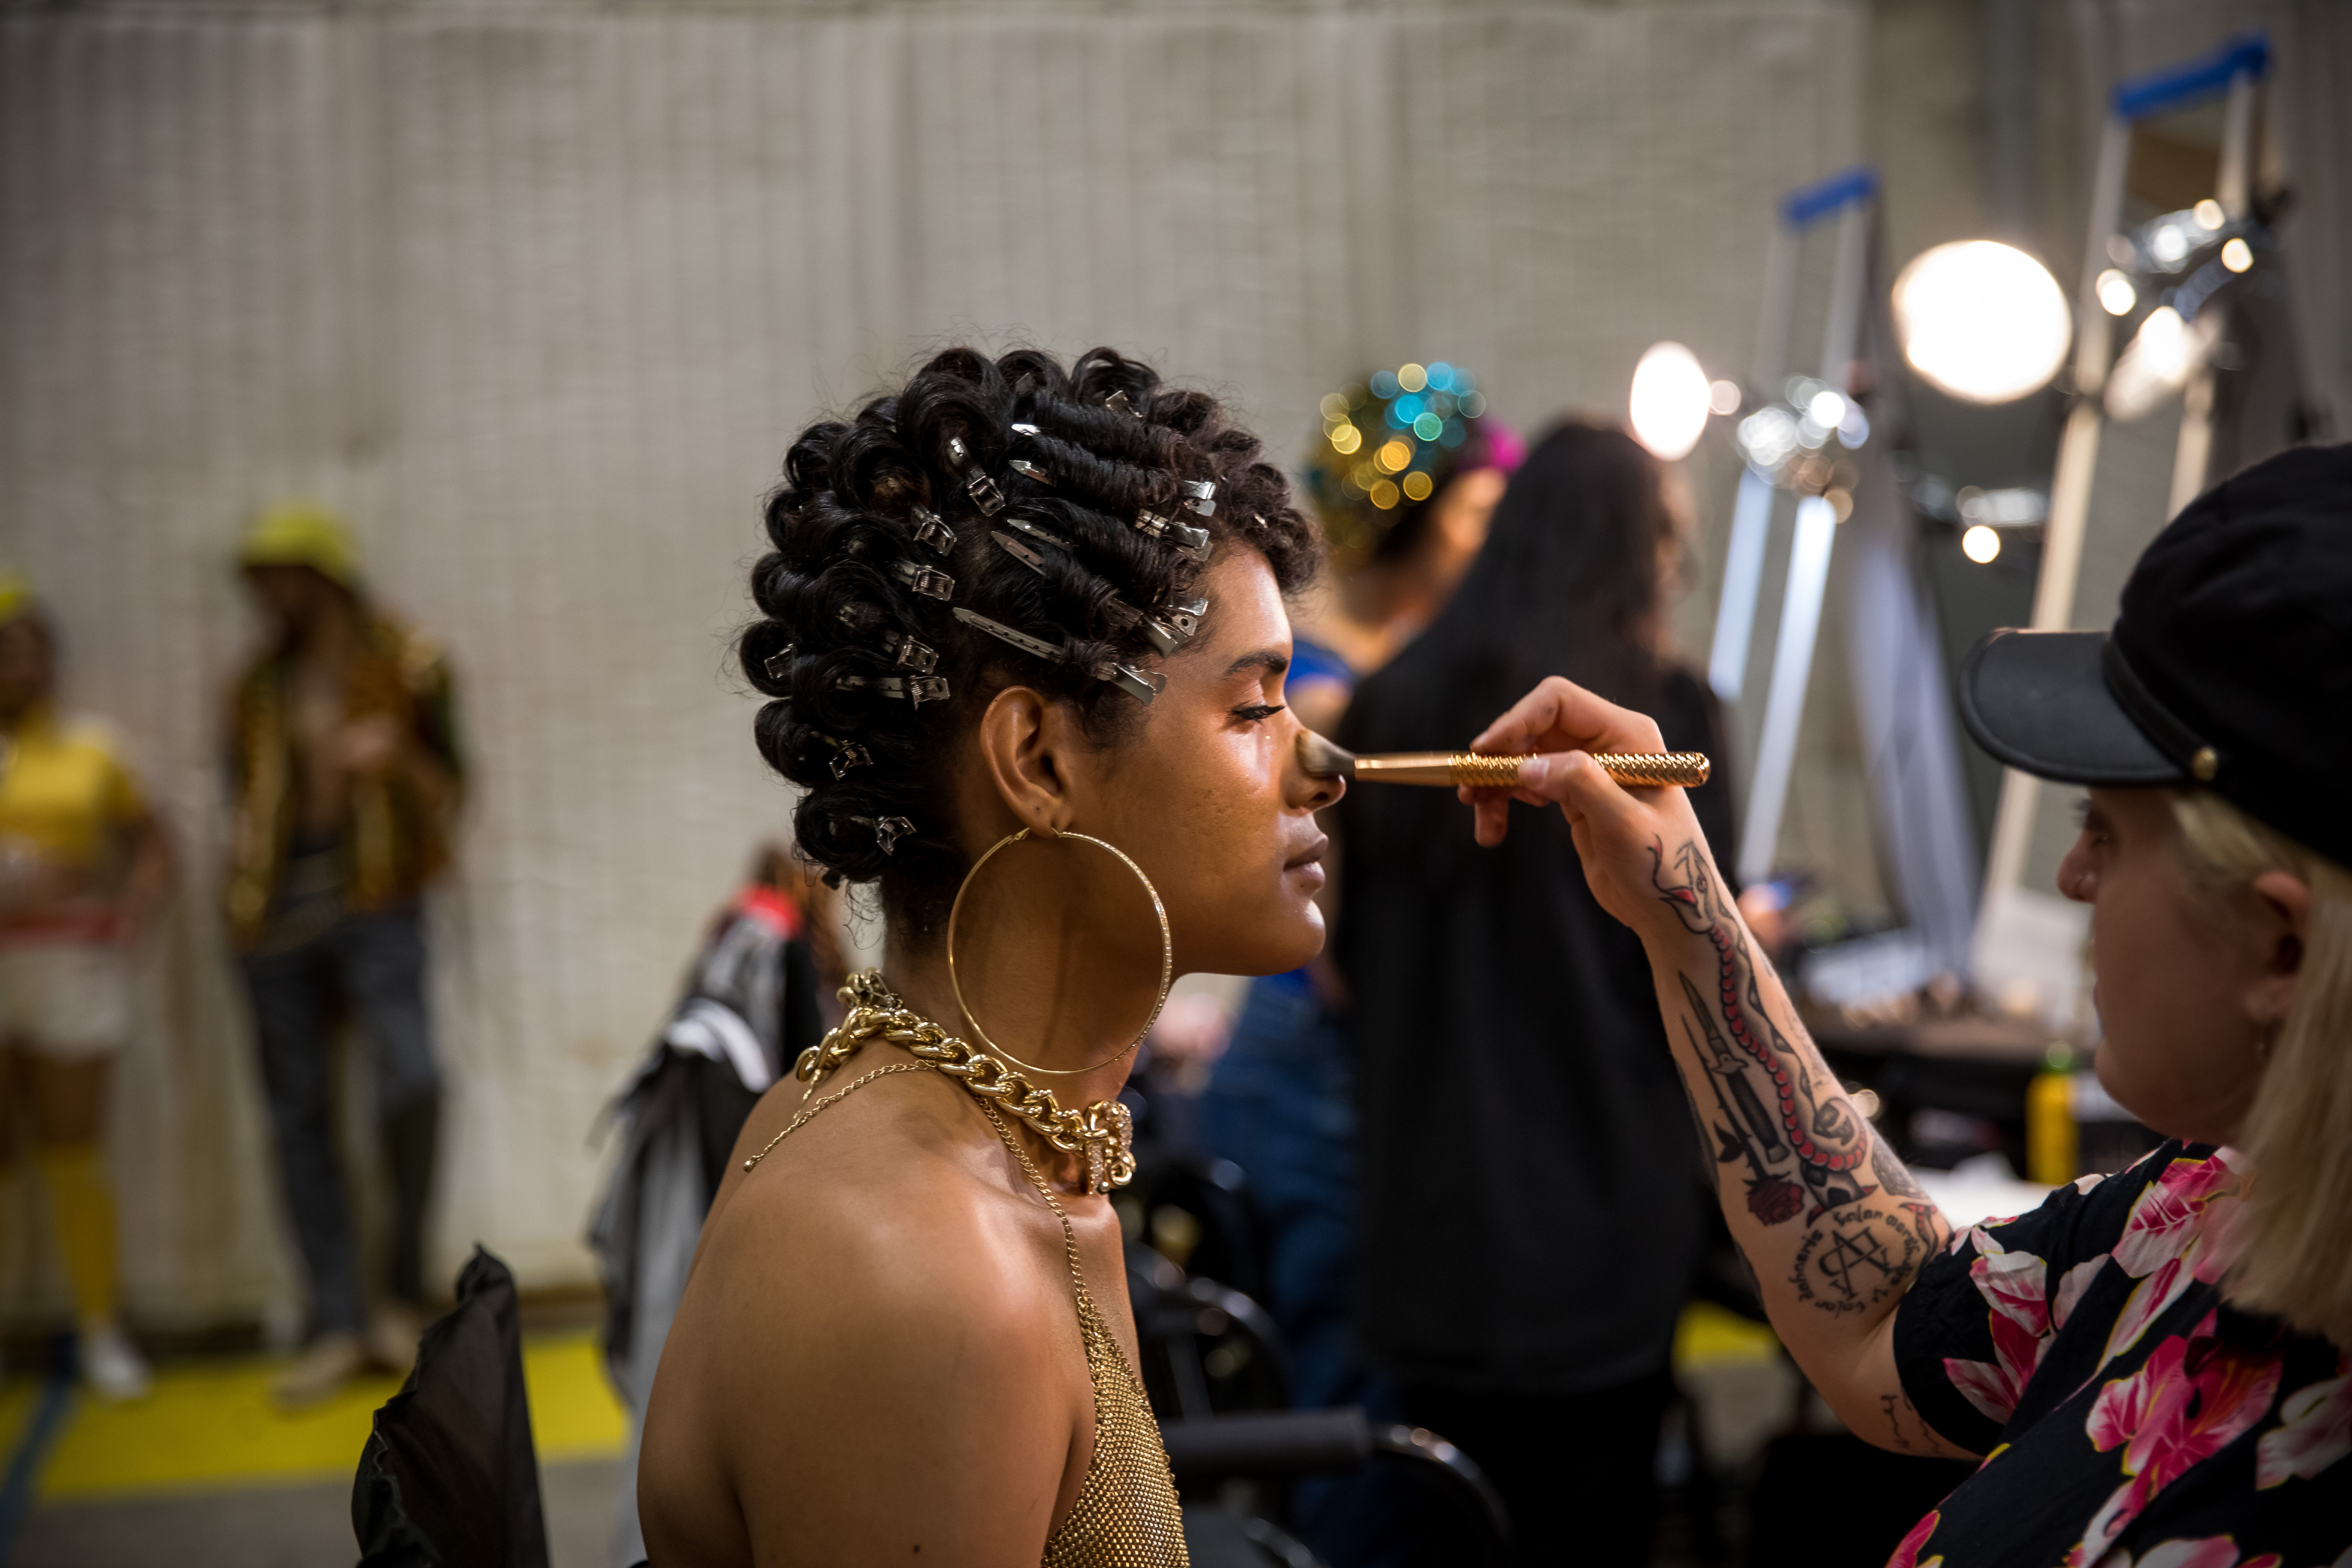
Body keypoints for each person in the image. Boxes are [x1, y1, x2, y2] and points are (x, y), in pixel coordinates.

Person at [1472, 441, 2352, 1562]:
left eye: (2106, 833)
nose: (2074, 878)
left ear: (2282, 943)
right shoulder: (2200, 1217)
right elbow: (1886, 1314)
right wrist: (1687, 914)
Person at [639, 346, 1335, 1566]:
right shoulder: (921, 1277)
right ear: (1040, 762)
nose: (1320, 766)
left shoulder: (993, 1143)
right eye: (1254, 705)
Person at [1329, 421, 1728, 1566]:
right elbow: (1705, 962)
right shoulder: (1661, 719)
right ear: (1634, 548)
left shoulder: (1391, 703)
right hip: (1603, 1229)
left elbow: (1347, 969)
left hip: (1427, 1230)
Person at [1192, 364, 1516, 1560]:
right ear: (1420, 522)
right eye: (1479, 514)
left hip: (1287, 1069)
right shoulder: (1339, 701)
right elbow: (1348, 954)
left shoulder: (1352, 680)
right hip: (1318, 1078)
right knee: (1344, 1409)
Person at [225, 503, 463, 1406]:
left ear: (323, 576)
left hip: (376, 900)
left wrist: (394, 757)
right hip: (275, 913)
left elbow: (452, 796)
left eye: (280, 576)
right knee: (298, 1116)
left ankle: (397, 1296)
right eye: (257, 580)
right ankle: (335, 1319)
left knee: (414, 1079)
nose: (266, 596)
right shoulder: (255, 686)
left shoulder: (410, 664)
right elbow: (240, 800)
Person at [592, 842, 833, 1568]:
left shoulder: (731, 935)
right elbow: (807, 1082)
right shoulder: (782, 947)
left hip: (690, 1204)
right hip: (720, 1211)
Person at [0, 574, 172, 1400]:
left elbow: (153, 841)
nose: (17, 667)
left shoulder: (91, 748)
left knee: (75, 1151)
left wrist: (130, 907)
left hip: (68, 960)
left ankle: (100, 1327)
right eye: (4, 651)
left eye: (31, 651)